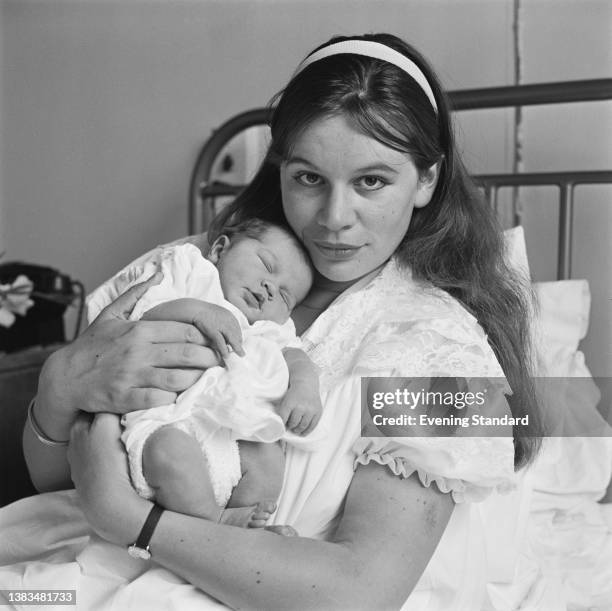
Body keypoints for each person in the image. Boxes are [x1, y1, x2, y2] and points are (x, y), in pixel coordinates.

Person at [6, 33, 543, 609]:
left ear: (427, 180)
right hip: (88, 568)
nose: (335, 219)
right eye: (309, 178)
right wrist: (60, 384)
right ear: (281, 169)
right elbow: (58, 482)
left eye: (372, 181)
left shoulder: (438, 353)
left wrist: (132, 520)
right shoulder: (193, 266)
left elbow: (360, 591)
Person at [84, 218, 322, 526]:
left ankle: (242, 523)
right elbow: (140, 318)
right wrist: (197, 312)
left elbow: (295, 355)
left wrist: (305, 387)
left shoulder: (268, 327)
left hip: (230, 435)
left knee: (269, 459)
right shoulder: (190, 274)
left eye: (286, 296)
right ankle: (214, 522)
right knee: (172, 452)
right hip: (168, 421)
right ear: (220, 249)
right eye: (265, 264)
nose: (269, 288)